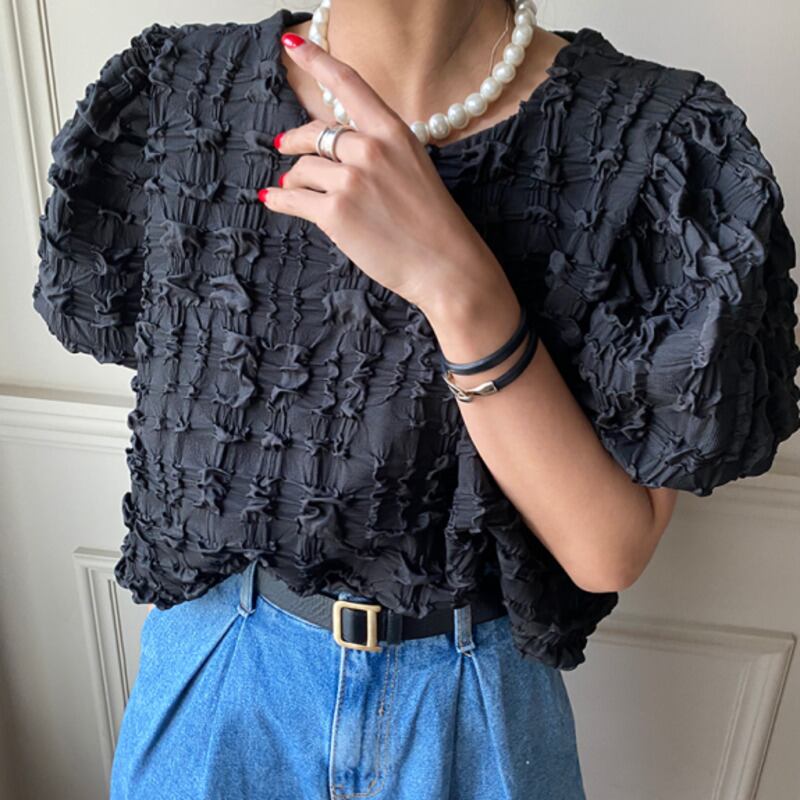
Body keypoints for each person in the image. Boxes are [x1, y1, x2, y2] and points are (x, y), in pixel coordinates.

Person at [31, 2, 799, 798]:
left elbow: (606, 551)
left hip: (474, 716)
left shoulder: (659, 143)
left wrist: (457, 286)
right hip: (220, 701)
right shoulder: (178, 92)